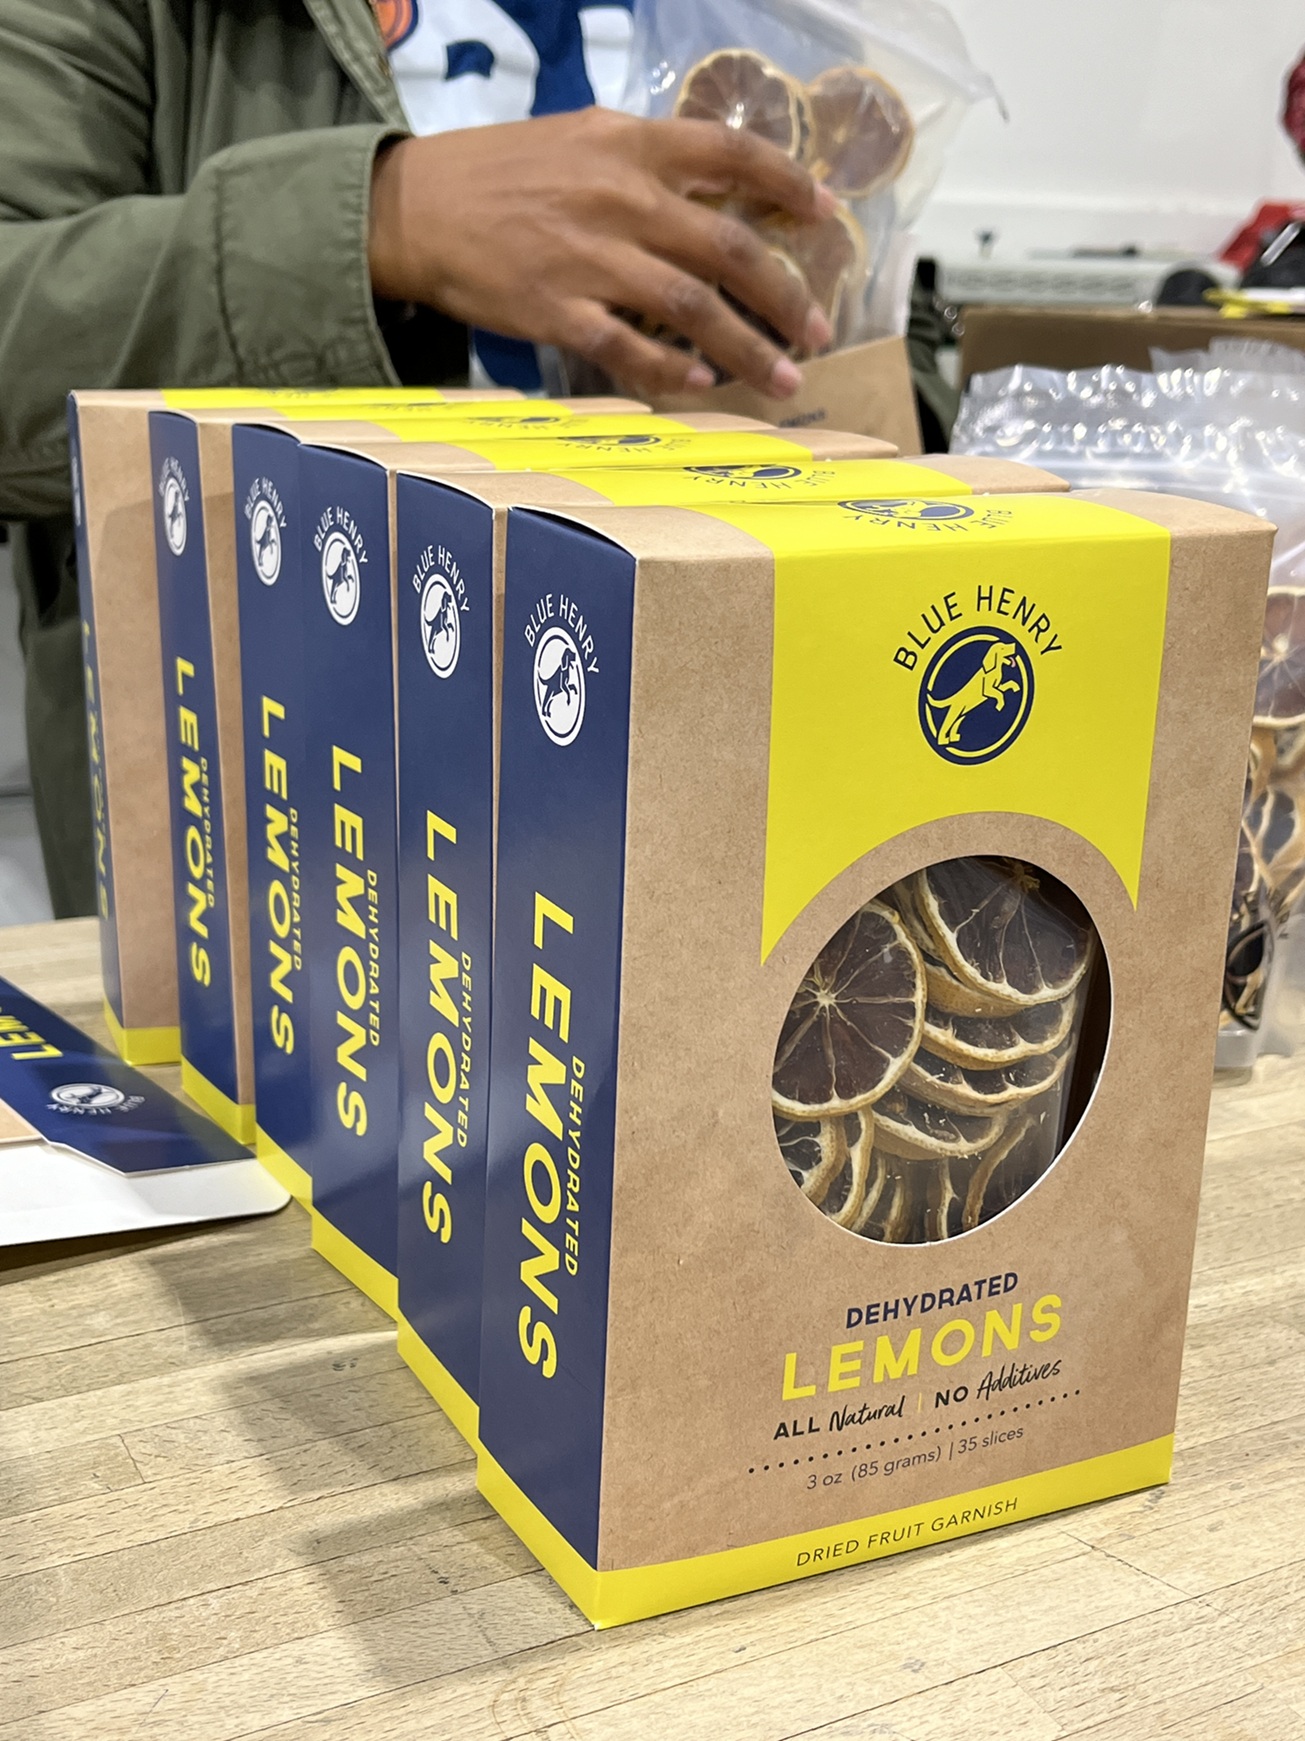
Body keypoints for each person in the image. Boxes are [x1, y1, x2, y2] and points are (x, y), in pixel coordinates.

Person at [0, 0, 837, 917]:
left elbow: (861, 321)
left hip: (715, 777)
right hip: (290, 847)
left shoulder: (754, 22)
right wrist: (377, 223)